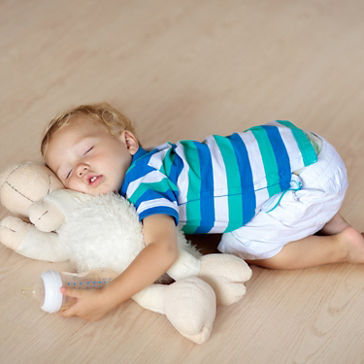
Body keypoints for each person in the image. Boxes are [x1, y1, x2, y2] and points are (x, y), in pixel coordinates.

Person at [41, 102, 364, 321]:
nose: (81, 168)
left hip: (308, 178)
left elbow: (162, 250)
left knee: (242, 245)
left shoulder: (145, 184)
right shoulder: (159, 158)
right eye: (68, 173)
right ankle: (324, 215)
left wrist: (110, 295)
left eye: (87, 151)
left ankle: (343, 247)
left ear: (128, 142)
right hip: (300, 145)